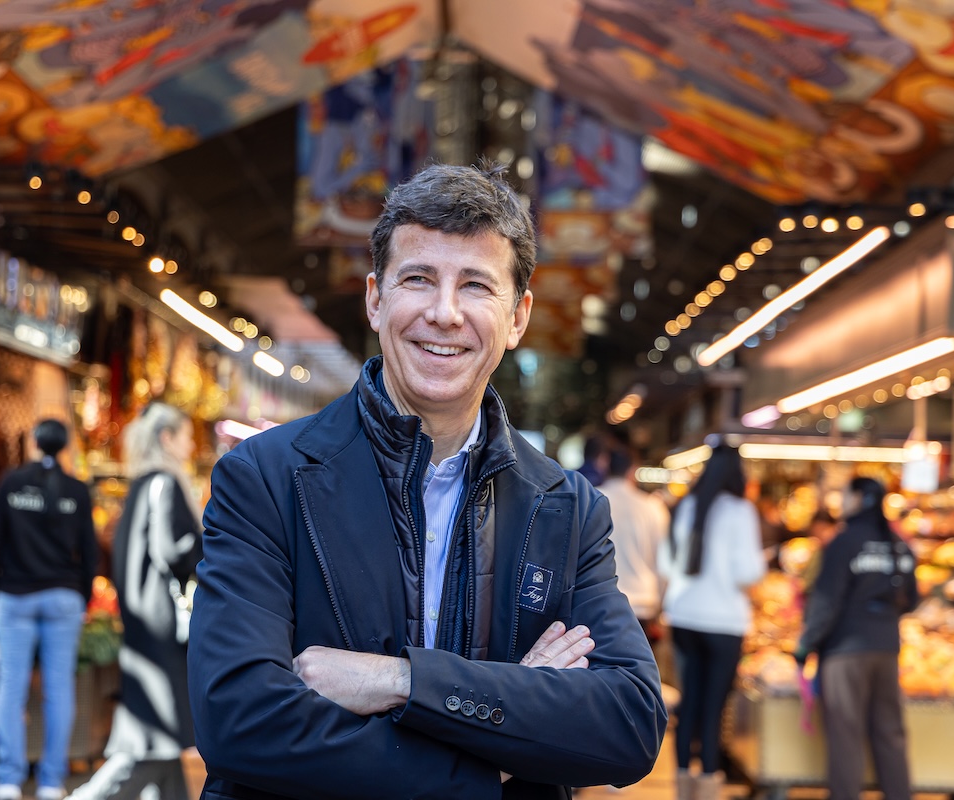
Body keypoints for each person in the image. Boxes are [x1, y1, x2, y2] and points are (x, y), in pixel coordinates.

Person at [189, 162, 667, 799]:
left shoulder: (566, 509)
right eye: (418, 279)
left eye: (476, 286)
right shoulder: (267, 480)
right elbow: (237, 722)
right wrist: (495, 747)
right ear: (375, 299)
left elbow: (627, 726)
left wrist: (401, 681)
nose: (444, 313)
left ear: (518, 316)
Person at [69, 402, 204, 800]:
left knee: (160, 729)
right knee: (156, 727)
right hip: (158, 620)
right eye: (185, 434)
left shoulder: (143, 484)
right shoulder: (164, 483)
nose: (192, 444)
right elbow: (177, 551)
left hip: (143, 618)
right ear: (167, 438)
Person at [0, 419, 99, 800]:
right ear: (65, 446)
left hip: (14, 597)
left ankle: (8, 780)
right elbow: (90, 552)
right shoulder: (77, 490)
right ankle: (51, 781)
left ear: (33, 442)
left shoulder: (11, 483)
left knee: (10, 687)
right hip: (63, 598)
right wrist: (81, 595)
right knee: (59, 689)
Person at [794, 477, 917, 800]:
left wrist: (807, 644)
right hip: (887, 648)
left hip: (845, 652)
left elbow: (825, 602)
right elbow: (912, 598)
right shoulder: (898, 544)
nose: (840, 502)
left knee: (846, 737)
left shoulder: (844, 543)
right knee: (889, 735)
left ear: (859, 498)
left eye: (844, 496)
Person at [657, 442, 763, 800]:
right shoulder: (739, 511)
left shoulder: (685, 505)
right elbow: (748, 570)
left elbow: (666, 565)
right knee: (714, 706)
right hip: (724, 621)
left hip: (684, 615)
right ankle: (708, 785)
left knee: (690, 700)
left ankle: (683, 782)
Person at [596, 444, 668, 640]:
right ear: (633, 470)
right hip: (642, 603)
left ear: (604, 466)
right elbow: (662, 562)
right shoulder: (653, 507)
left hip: (598, 603)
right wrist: (659, 605)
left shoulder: (592, 500)